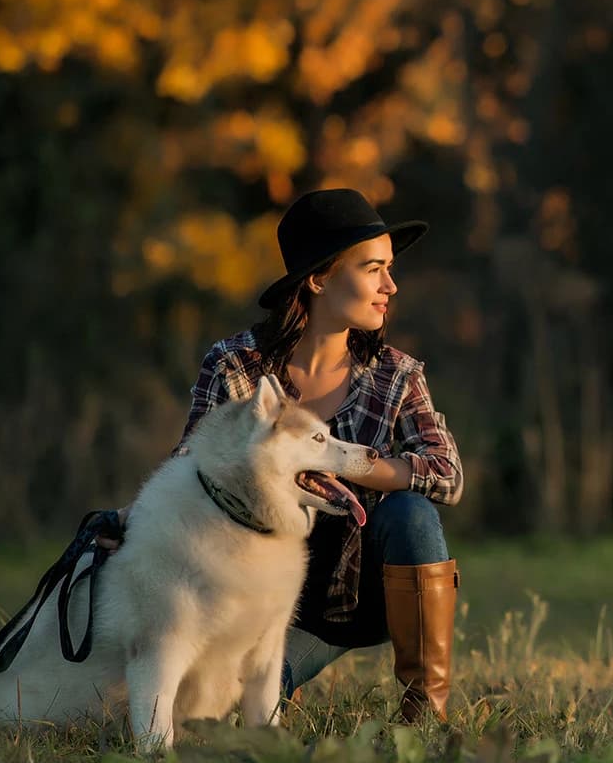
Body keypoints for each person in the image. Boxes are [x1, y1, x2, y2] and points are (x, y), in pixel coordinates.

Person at [109, 188, 463, 723]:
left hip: (349, 599)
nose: (390, 286)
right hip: (250, 594)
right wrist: (129, 521)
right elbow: (191, 463)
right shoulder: (236, 366)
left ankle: (425, 708)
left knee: (413, 513)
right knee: (228, 713)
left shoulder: (397, 374)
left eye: (390, 269)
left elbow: (447, 474)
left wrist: (353, 464)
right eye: (373, 269)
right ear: (319, 278)